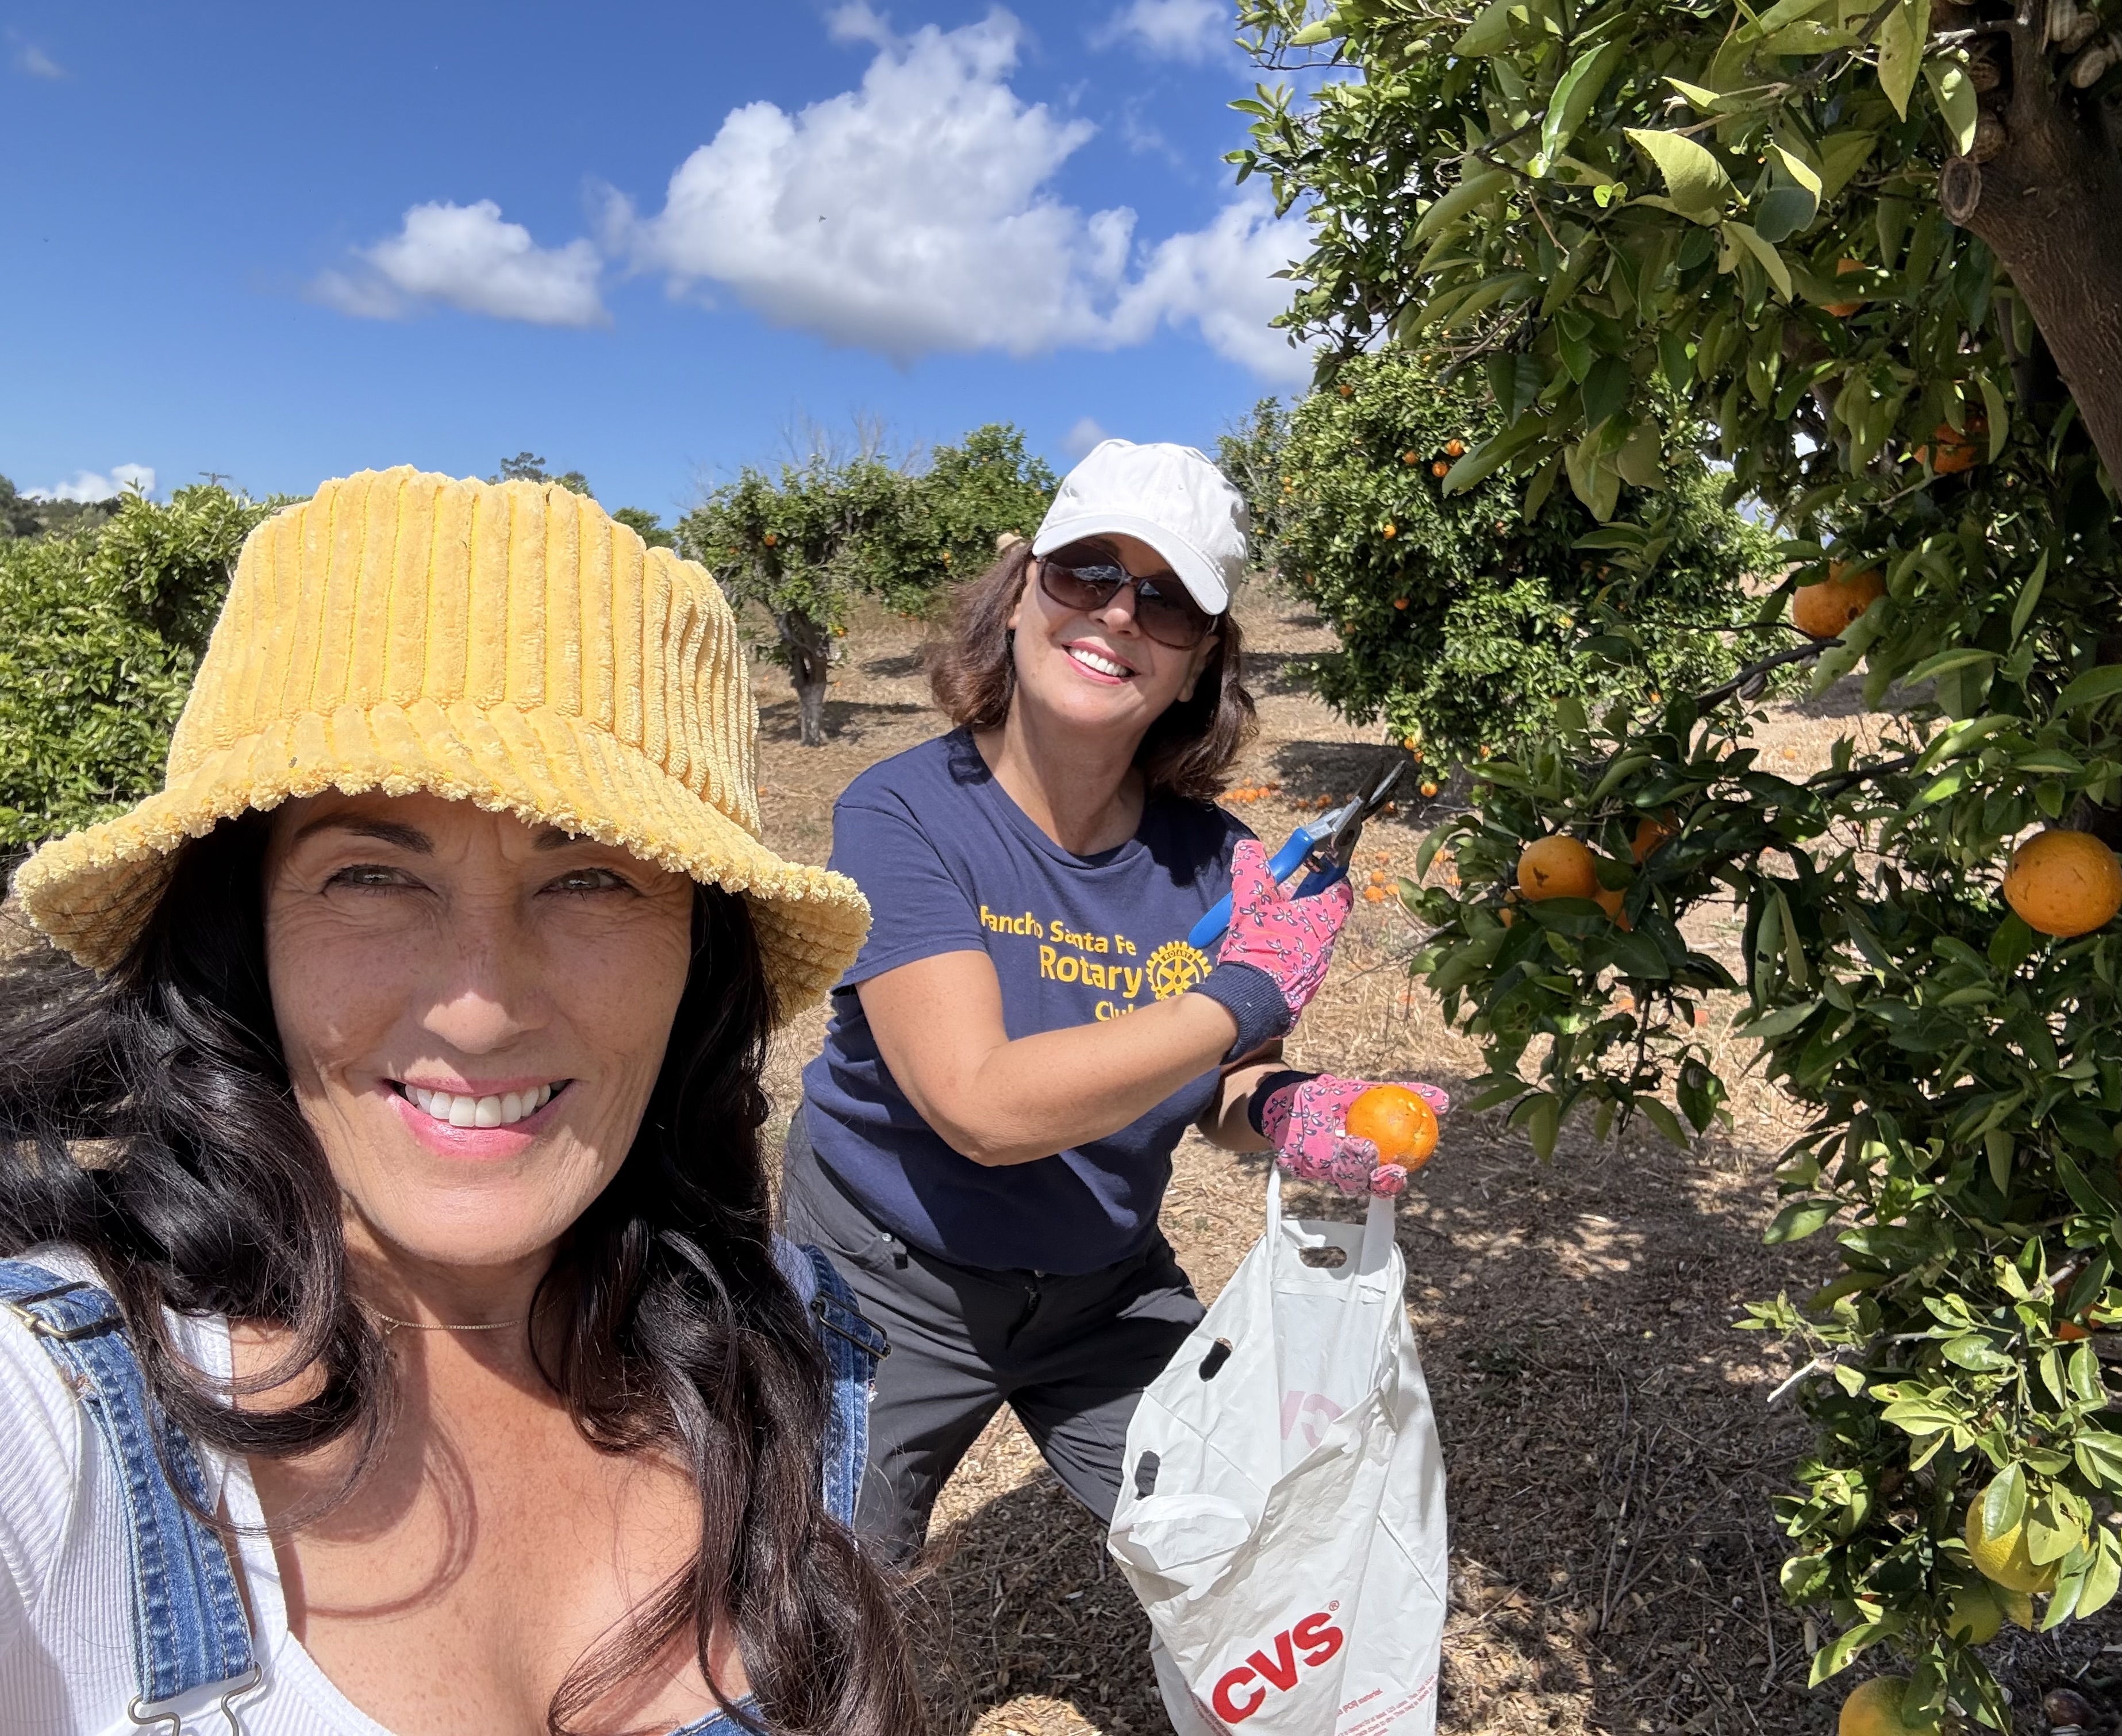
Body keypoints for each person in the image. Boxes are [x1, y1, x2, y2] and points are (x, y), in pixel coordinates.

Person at [0, 468, 917, 1736]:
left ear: (697, 954)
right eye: (371, 872)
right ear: (243, 929)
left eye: (592, 878)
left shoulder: (783, 1350)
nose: (480, 1008)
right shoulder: (47, 1424)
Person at [783, 438, 1448, 1559]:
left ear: (1199, 663)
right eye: (1086, 572)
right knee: (812, 1616)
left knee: (1250, 1557)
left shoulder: (1220, 863)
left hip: (1103, 1280)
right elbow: (979, 1105)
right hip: (879, 1284)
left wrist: (1291, 1109)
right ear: (1017, 596)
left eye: (1169, 599)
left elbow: (1222, 1079)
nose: (1119, 614)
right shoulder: (903, 814)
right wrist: (1241, 989)